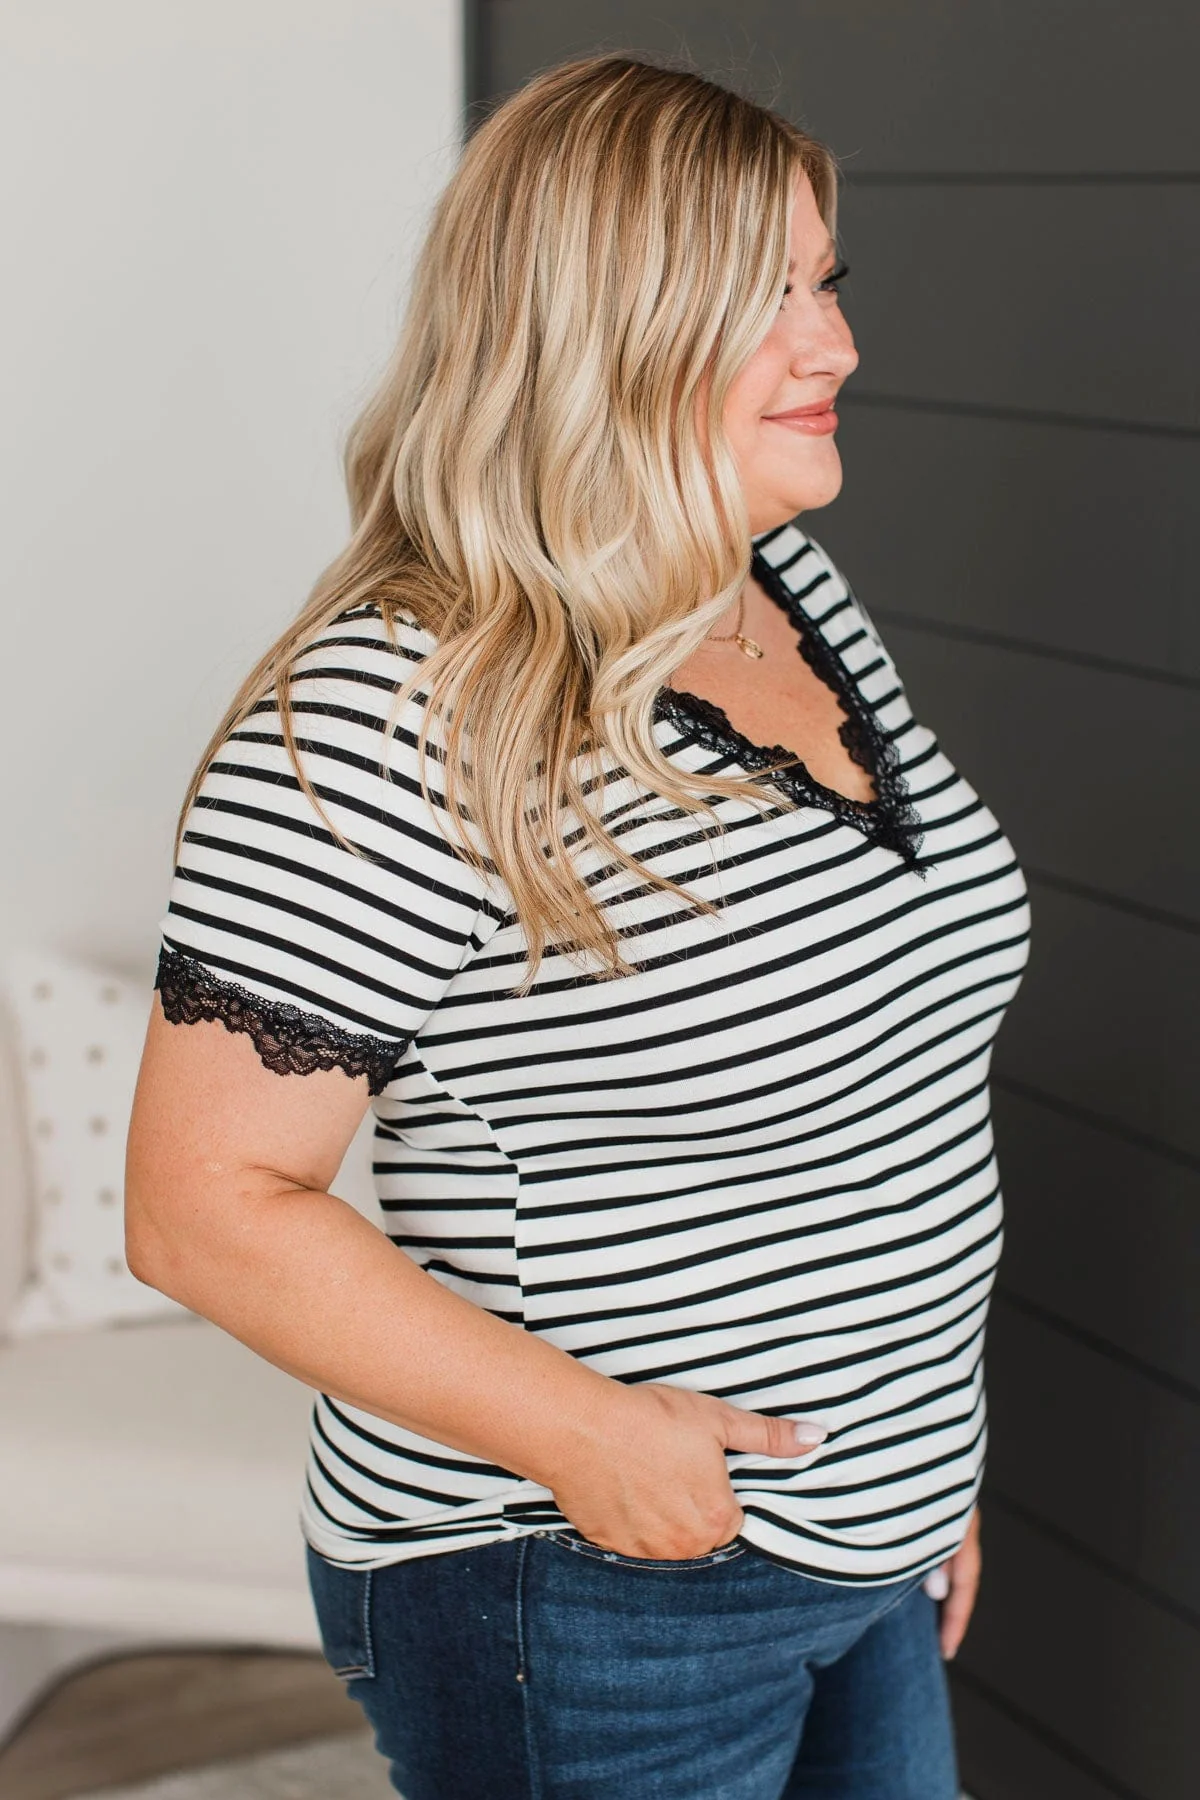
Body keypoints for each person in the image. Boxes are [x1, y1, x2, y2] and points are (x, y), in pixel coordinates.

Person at [126, 53, 1030, 1800]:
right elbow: (200, 1207)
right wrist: (585, 1434)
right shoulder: (402, 708)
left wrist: (919, 1460)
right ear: (597, 329)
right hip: (591, 1579)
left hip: (871, 1534)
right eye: (766, 299)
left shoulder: (778, 587)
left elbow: (883, 1078)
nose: (838, 345)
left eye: (826, 281)